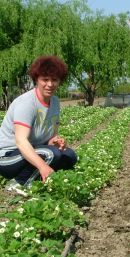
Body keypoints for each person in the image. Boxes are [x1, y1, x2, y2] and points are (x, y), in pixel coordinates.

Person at [0, 55, 77, 192]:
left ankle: (40, 178)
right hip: (7, 157)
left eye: (54, 80)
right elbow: (21, 142)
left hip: (32, 150)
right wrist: (42, 166)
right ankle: (18, 182)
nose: (50, 84)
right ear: (37, 79)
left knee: (70, 156)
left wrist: (57, 141)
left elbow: (51, 138)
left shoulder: (55, 102)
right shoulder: (27, 103)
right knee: (51, 155)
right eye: (45, 79)